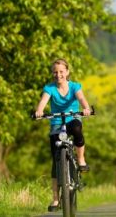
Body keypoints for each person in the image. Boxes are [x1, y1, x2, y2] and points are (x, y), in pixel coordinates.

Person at [35, 58, 91, 212]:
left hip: (73, 119)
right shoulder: (50, 88)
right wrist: (39, 111)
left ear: (67, 72)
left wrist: (86, 108)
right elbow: (43, 101)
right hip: (57, 123)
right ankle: (55, 199)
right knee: (56, 161)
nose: (58, 74)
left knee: (77, 130)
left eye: (61, 71)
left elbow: (81, 98)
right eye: (55, 72)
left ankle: (80, 159)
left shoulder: (74, 86)